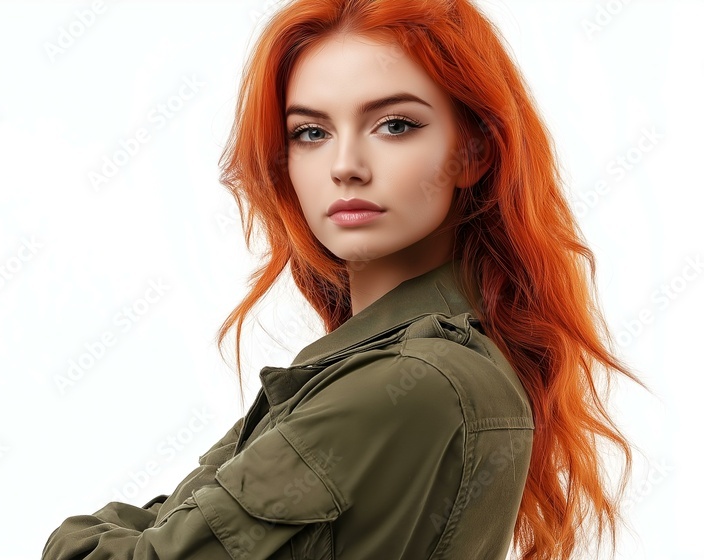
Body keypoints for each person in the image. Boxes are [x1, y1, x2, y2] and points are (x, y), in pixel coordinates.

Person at [42, 0, 650, 558]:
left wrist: (74, 537)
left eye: (394, 126)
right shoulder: (386, 368)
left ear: (473, 152)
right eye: (311, 132)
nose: (345, 166)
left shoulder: (411, 382)